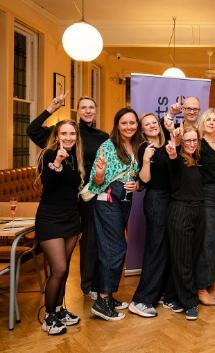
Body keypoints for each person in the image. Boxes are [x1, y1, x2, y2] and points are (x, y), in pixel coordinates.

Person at [27, 94, 108, 299]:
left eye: (92, 107)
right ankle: (54, 306)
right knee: (59, 263)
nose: (88, 111)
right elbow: (32, 130)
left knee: (91, 242)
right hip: (62, 200)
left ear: (96, 110)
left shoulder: (102, 137)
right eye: (84, 107)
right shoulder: (68, 132)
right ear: (78, 111)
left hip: (90, 195)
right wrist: (51, 108)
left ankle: (89, 286)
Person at [88, 107, 141, 321]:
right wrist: (100, 174)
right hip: (107, 201)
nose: (129, 126)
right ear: (117, 125)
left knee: (113, 248)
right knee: (115, 249)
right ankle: (102, 300)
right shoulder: (107, 146)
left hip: (124, 203)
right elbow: (96, 181)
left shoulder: (137, 146)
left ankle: (108, 296)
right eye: (124, 123)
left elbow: (137, 176)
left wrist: (136, 185)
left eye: (132, 123)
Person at [35, 120, 84, 335]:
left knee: (63, 272)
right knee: (59, 269)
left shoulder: (76, 157)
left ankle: (59, 310)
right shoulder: (48, 154)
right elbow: (48, 183)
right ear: (57, 135)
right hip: (50, 219)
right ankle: (49, 316)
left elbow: (74, 190)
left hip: (71, 219)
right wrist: (56, 162)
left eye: (72, 133)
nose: (68, 137)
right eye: (64, 133)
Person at [128, 113, 170, 318]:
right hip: (156, 200)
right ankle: (141, 300)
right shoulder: (146, 148)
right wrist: (145, 161)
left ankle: (158, 292)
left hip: (169, 201)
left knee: (164, 248)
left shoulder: (166, 144)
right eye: (147, 125)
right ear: (142, 130)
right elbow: (144, 181)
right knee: (155, 249)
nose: (152, 126)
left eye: (154, 122)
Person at [163, 126, 205, 321]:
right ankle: (189, 302)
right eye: (187, 141)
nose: (191, 144)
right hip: (180, 211)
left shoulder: (197, 160)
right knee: (183, 259)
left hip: (198, 211)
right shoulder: (177, 159)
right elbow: (171, 173)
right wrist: (172, 156)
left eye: (194, 140)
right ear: (181, 142)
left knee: (191, 257)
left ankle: (172, 296)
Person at [195, 108, 215, 306]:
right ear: (203, 122)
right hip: (205, 195)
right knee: (205, 243)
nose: (212, 122)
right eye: (208, 119)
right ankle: (201, 286)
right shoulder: (198, 145)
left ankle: (211, 283)